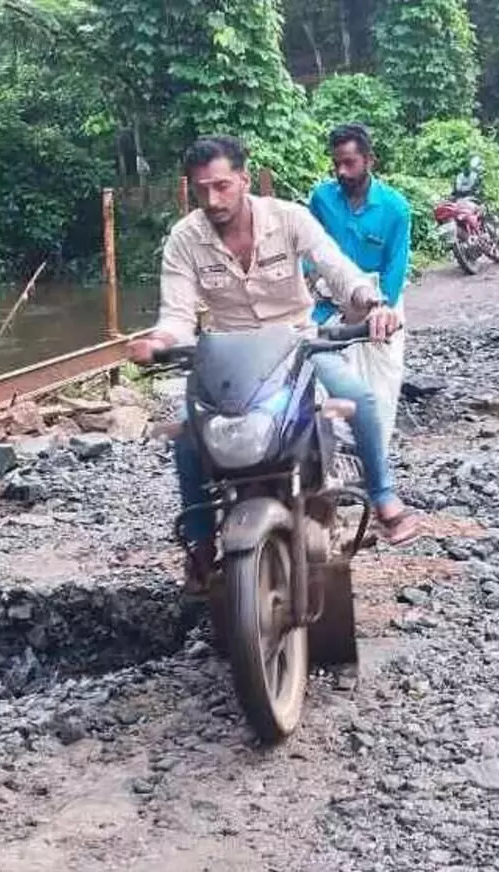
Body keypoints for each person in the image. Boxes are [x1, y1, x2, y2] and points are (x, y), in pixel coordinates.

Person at [127, 135, 422, 588]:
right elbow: (178, 313)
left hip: (296, 344)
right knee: (188, 434)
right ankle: (201, 544)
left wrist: (373, 302)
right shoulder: (184, 238)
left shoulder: (289, 218)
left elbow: (338, 269)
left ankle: (384, 498)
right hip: (226, 357)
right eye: (202, 189)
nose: (213, 199)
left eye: (222, 186)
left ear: (244, 179)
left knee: (359, 399)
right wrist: (160, 341)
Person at [305, 123, 412, 456]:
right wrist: (313, 282)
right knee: (318, 382)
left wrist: (379, 308)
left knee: (379, 389)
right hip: (327, 302)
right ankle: (329, 461)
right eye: (336, 163)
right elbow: (307, 251)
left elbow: (395, 269)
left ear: (369, 160)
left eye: (349, 163)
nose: (342, 171)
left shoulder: (395, 208)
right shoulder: (322, 199)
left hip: (378, 305)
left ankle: (373, 459)